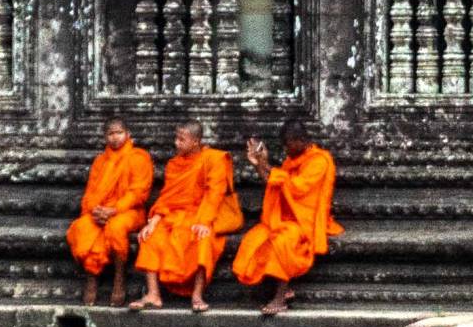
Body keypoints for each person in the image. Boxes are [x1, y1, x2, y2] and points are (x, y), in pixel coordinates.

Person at [232, 124, 341, 316]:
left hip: (306, 220)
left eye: (287, 144)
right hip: (285, 217)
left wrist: (265, 164)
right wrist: (258, 164)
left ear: (300, 141)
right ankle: (283, 288)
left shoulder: (319, 161)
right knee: (254, 238)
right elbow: (275, 184)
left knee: (281, 241)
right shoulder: (292, 161)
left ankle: (280, 297)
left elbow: (297, 187)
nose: (285, 149)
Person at [132, 124, 241, 313]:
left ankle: (197, 294)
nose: (176, 143)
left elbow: (214, 193)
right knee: (150, 236)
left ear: (196, 141)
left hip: (202, 215)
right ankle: (153, 294)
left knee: (202, 238)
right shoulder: (174, 164)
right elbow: (167, 197)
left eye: (181, 139)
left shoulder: (214, 159)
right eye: (176, 138)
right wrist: (153, 222)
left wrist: (204, 222)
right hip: (173, 216)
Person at [65, 120, 155, 308]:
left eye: (119, 133)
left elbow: (139, 192)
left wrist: (114, 210)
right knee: (83, 227)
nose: (115, 138)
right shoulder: (100, 161)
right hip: (101, 211)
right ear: (105, 137)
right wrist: (95, 210)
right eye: (110, 134)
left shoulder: (139, 157)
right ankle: (91, 276)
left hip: (129, 212)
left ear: (128, 134)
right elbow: (90, 192)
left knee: (116, 227)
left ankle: (119, 277)